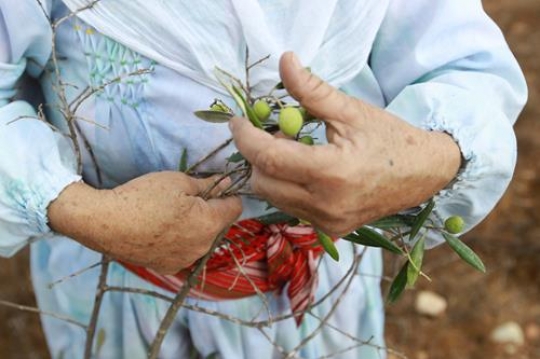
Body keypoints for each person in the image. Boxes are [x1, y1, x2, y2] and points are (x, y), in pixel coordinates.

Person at [0, 0, 527, 358]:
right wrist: (78, 210)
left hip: (320, 282)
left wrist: (428, 158)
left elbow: (466, 66)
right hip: (116, 282)